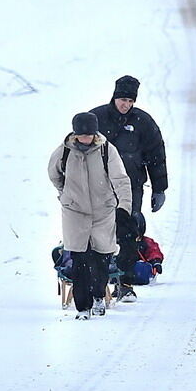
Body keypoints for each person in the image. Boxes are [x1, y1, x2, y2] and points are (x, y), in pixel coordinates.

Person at [90, 75, 168, 301]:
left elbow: (156, 156)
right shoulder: (96, 118)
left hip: (131, 186)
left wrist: (159, 188)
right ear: (114, 97)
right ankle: (99, 282)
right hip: (99, 186)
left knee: (129, 232)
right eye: (122, 99)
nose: (126, 105)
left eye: (130, 101)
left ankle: (124, 283)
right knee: (100, 233)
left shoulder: (143, 122)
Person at [48, 112, 132, 320]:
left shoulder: (106, 150)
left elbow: (120, 179)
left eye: (89, 135)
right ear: (75, 134)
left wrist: (124, 208)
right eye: (82, 135)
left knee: (102, 257)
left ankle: (98, 297)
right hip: (74, 212)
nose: (86, 139)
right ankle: (82, 307)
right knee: (79, 258)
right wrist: (66, 194)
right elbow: (54, 174)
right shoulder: (64, 152)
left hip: (103, 211)